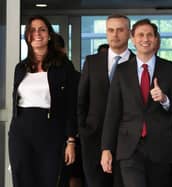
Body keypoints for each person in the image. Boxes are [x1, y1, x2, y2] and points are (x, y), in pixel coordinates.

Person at [100, 18, 172, 187]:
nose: (145, 39)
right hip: (129, 147)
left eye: (149, 35)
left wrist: (165, 99)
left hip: (160, 147)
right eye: (140, 35)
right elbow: (112, 112)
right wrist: (106, 149)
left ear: (155, 39)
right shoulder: (122, 71)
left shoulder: (170, 69)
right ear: (132, 38)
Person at [8, 15, 78, 187]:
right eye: (32, 30)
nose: (37, 34)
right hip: (21, 129)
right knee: (22, 178)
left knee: (50, 179)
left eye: (42, 29)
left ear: (49, 35)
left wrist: (70, 140)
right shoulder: (21, 67)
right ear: (27, 36)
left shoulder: (63, 66)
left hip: (51, 129)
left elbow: (71, 105)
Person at [78, 14, 134, 187]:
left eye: (120, 30)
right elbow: (81, 100)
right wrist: (83, 130)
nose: (115, 34)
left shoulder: (139, 63)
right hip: (93, 139)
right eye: (110, 30)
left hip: (128, 141)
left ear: (129, 33)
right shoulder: (92, 62)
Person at [54, 33, 84, 187]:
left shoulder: (73, 76)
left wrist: (71, 139)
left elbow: (76, 109)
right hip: (46, 136)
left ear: (63, 50)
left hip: (70, 136)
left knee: (71, 177)